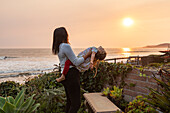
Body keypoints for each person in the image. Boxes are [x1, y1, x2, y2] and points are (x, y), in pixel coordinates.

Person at [52, 27, 92, 113]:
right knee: (76, 104)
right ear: (65, 35)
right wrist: (87, 55)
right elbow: (76, 62)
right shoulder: (65, 46)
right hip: (71, 75)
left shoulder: (59, 47)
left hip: (65, 75)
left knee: (70, 102)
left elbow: (70, 61)